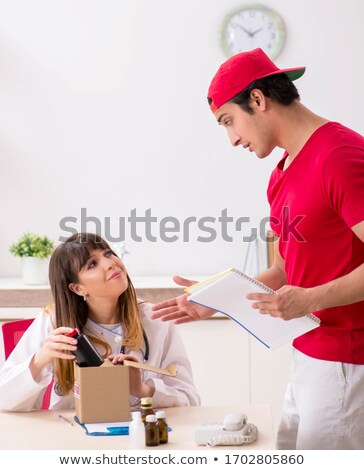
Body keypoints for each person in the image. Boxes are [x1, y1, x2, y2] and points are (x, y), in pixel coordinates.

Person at [151, 48, 364, 450]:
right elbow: (284, 272)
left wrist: (312, 299)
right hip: (309, 357)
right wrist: (216, 299)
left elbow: (305, 291)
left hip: (347, 361)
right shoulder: (281, 175)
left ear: (258, 100)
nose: (232, 139)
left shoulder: (340, 156)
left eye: (228, 121)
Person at [0, 232, 200, 411]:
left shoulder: (157, 319)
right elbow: (5, 399)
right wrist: (40, 358)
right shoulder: (54, 323)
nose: (110, 263)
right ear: (78, 289)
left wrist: (142, 390)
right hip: (72, 437)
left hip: (138, 437)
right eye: (92, 264)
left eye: (108, 253)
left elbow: (190, 400)